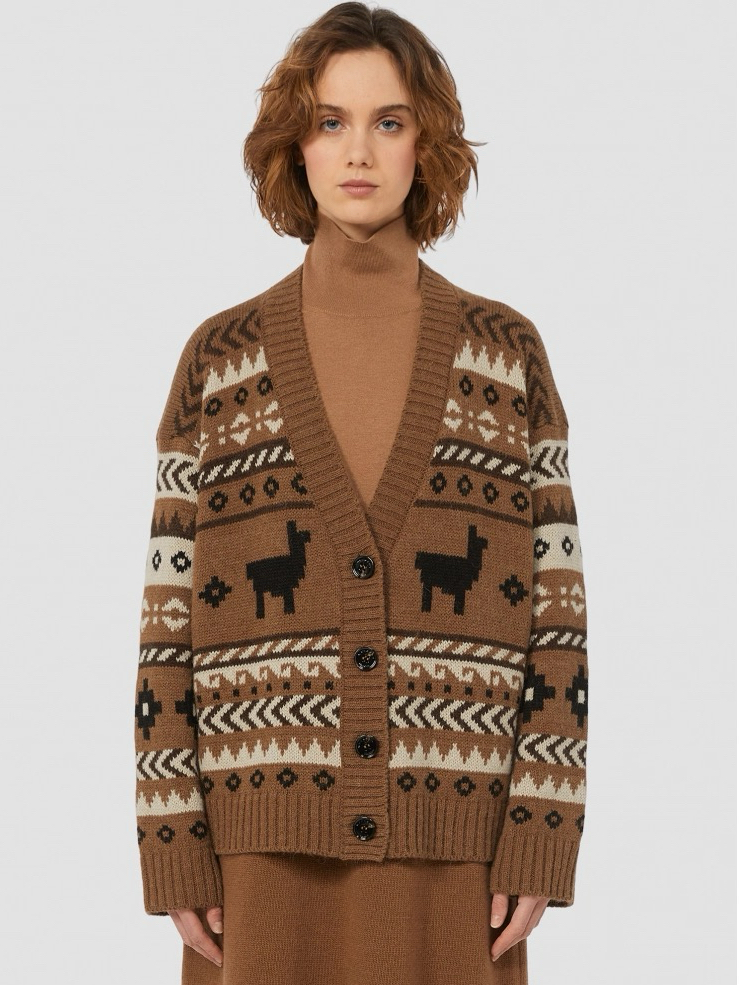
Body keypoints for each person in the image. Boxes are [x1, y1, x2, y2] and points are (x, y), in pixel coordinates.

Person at [133, 4, 589, 983]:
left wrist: (540, 833)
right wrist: (171, 840)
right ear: (292, 145)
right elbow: (167, 627)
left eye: (388, 121)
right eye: (328, 121)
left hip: (456, 862)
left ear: (427, 144)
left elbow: (558, 620)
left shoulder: (505, 356)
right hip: (259, 866)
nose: (357, 151)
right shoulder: (220, 361)